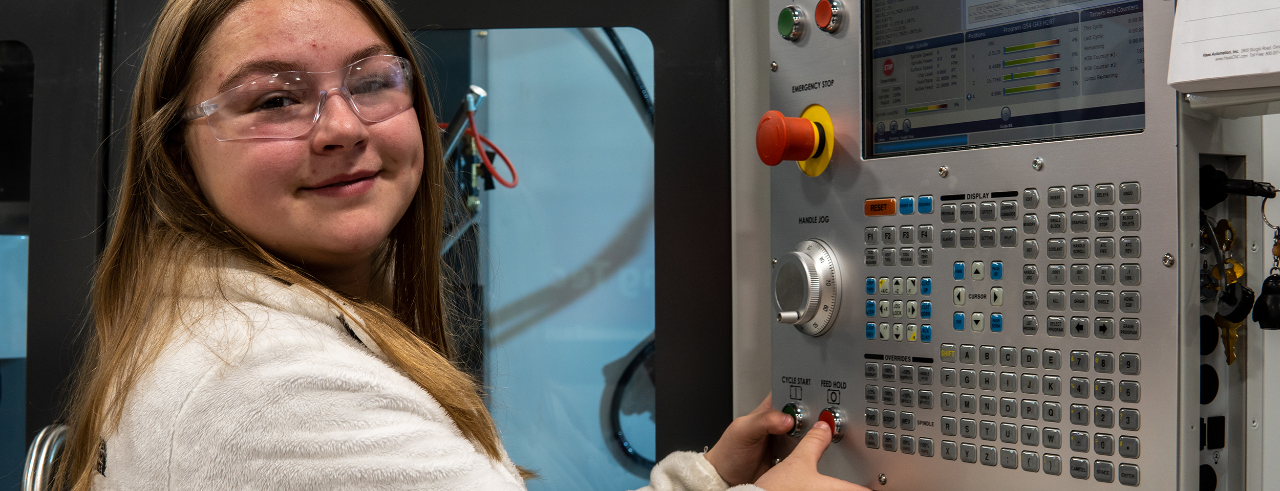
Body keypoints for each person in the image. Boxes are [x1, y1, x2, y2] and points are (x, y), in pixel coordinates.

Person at [57, 0, 870, 489]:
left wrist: (704, 479)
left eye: (372, 81)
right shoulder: (268, 386)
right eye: (275, 98)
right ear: (175, 155)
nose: (341, 127)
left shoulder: (223, 331)